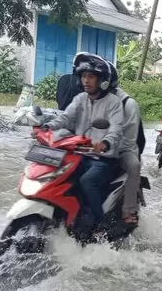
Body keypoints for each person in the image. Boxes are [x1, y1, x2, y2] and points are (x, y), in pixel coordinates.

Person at [42, 53, 124, 233]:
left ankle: (101, 223)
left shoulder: (114, 103)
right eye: (84, 76)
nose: (86, 80)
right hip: (78, 153)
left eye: (91, 76)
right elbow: (66, 117)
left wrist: (105, 143)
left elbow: (116, 129)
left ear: (102, 80)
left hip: (102, 158)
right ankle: (62, 215)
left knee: (87, 181)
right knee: (54, 175)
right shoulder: (80, 99)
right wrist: (48, 126)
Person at [106, 60, 143, 226]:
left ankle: (128, 209)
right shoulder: (89, 99)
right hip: (94, 148)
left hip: (121, 150)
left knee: (134, 166)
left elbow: (129, 141)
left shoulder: (128, 105)